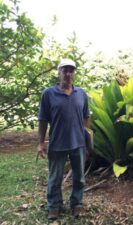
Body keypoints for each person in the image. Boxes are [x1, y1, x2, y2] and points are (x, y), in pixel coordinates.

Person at [37, 58, 90, 220]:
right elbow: (43, 119)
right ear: (59, 72)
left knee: (79, 177)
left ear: (74, 73)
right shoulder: (48, 93)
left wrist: (87, 141)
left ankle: (77, 204)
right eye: (64, 70)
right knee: (55, 177)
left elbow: (86, 118)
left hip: (78, 144)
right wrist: (40, 143)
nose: (68, 73)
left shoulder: (81, 93)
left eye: (71, 70)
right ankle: (54, 206)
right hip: (57, 143)